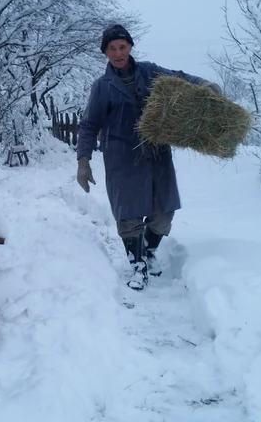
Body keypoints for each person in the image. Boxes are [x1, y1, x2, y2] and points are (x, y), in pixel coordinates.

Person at [75, 24, 222, 290]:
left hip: (156, 154)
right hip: (122, 158)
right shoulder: (103, 86)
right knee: (129, 216)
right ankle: (137, 264)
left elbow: (178, 78)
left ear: (130, 47)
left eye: (122, 47)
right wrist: (83, 161)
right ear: (105, 53)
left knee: (163, 212)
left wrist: (204, 84)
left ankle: (149, 250)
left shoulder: (150, 72)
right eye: (112, 49)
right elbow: (88, 125)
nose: (118, 53)